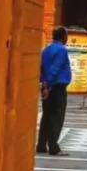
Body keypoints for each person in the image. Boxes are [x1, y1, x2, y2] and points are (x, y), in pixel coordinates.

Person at [37, 26, 72, 157]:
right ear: (64, 37)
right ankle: (53, 147)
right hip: (56, 87)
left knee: (46, 116)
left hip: (47, 85)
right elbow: (55, 68)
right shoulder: (62, 50)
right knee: (57, 117)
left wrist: (44, 83)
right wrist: (49, 85)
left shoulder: (46, 49)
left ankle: (41, 144)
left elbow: (41, 68)